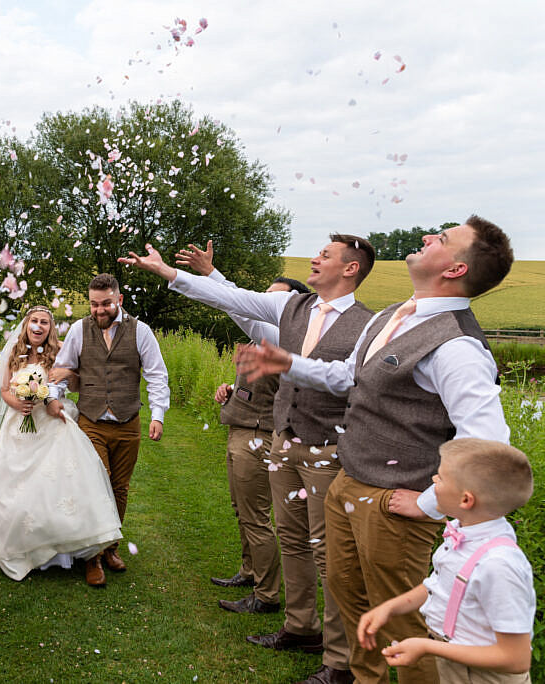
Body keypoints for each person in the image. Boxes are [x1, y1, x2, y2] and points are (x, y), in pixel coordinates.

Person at [236, 217, 515, 684]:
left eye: (441, 239)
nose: (428, 237)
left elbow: (487, 447)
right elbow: (349, 377)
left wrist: (429, 504)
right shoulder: (391, 315)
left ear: (455, 268)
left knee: (400, 629)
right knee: (355, 609)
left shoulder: (458, 346)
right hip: (349, 482)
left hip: (394, 506)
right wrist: (289, 363)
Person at [120, 236, 376, 684]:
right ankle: (300, 627)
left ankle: (341, 661)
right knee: (292, 540)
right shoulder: (294, 308)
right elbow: (234, 300)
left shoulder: (367, 325)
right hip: (284, 441)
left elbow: (344, 380)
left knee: (328, 553)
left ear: (350, 269)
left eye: (326, 255)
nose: (315, 259)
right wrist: (168, 273)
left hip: (328, 450)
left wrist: (285, 362)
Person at [0, 306, 123, 581]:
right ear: (27, 324)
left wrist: (66, 375)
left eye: (44, 322)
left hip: (53, 423)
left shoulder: (61, 349)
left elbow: (78, 385)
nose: (39, 326)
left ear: (50, 327)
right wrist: (18, 403)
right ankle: (22, 544)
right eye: (35, 321)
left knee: (59, 484)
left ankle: (72, 547)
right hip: (21, 426)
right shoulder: (14, 353)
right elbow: (5, 390)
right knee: (15, 486)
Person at [357, 439, 533, 683]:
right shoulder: (464, 532)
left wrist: (428, 647)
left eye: (440, 477)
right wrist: (390, 608)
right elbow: (442, 586)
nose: (433, 481)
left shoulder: (498, 565)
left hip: (484, 676)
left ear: (465, 500)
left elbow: (516, 658)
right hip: (455, 662)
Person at [45, 273, 170, 586]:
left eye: (105, 304)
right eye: (93, 304)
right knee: (96, 485)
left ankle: (112, 546)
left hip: (128, 423)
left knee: (120, 488)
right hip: (91, 421)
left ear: (120, 300)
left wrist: (158, 415)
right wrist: (53, 398)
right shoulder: (79, 329)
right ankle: (93, 558)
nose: (99, 310)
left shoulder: (141, 331)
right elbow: (62, 370)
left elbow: (156, 375)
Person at [208, 273, 311, 615]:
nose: (265, 303)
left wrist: (211, 276)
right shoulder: (259, 342)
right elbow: (256, 386)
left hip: (258, 435)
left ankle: (266, 595)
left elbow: (237, 305)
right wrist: (229, 389)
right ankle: (250, 572)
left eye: (275, 298)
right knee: (243, 511)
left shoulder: (286, 342)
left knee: (256, 517)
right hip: (239, 427)